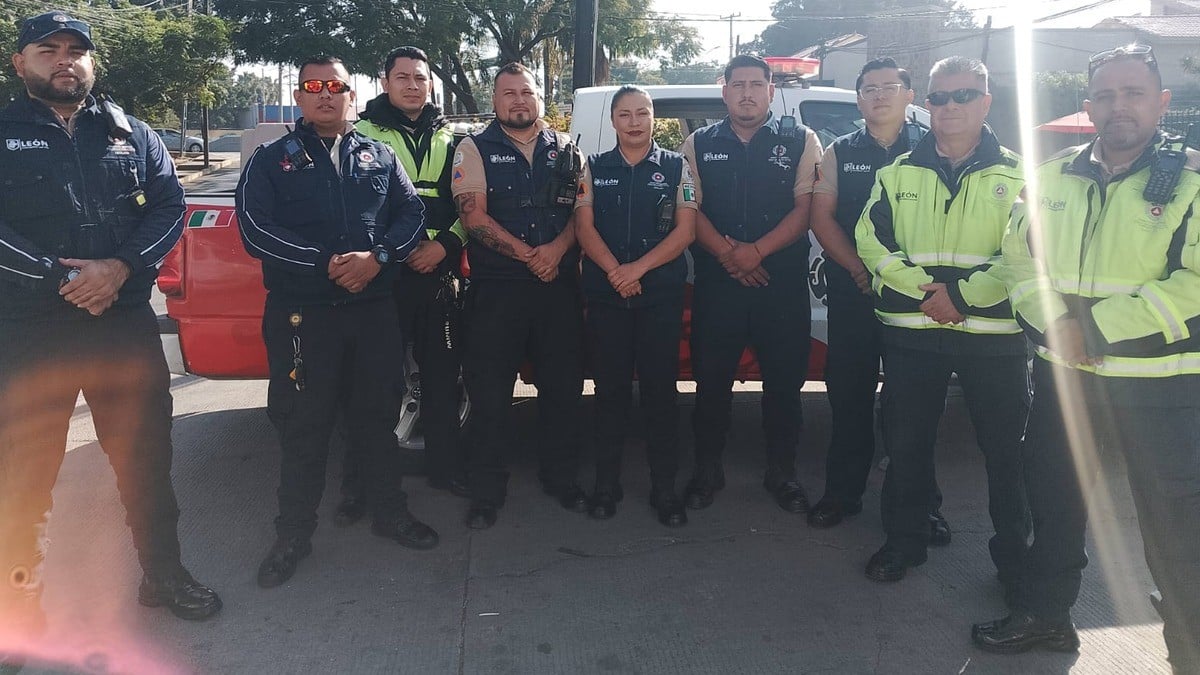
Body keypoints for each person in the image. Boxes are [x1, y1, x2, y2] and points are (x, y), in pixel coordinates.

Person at [0, 9, 222, 651]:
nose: (65, 60)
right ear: (20, 62)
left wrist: (120, 268)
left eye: (76, 50)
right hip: (31, 330)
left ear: (92, 62)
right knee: (25, 474)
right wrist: (62, 280)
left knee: (145, 460)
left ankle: (164, 575)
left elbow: (171, 208)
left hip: (120, 326)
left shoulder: (133, 134)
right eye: (49, 50)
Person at [973, 44, 1200, 671]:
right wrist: (1055, 326)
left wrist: (1092, 328)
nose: (1118, 106)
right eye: (1105, 94)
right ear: (1088, 105)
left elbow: (1194, 282)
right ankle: (1046, 616)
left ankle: (1190, 647)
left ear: (1161, 102)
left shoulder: (1192, 181)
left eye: (1132, 93)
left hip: (1162, 385)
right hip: (1066, 381)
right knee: (1053, 502)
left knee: (1177, 524)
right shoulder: (1052, 176)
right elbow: (1020, 258)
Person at [236, 56, 438, 589]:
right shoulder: (271, 160)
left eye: (336, 87)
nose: (325, 95)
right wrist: (325, 263)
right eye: (314, 87)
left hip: (373, 310)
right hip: (305, 316)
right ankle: (292, 536)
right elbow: (256, 230)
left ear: (352, 95)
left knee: (377, 419)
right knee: (305, 427)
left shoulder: (379, 153)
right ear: (300, 97)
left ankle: (390, 513)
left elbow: (411, 213)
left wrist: (380, 258)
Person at [854, 56, 1030, 586]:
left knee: (1007, 456)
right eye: (939, 97)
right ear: (924, 103)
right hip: (911, 335)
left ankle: (1017, 561)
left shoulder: (1021, 175)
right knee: (906, 448)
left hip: (996, 340)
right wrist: (924, 293)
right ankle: (903, 542)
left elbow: (1026, 254)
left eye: (963, 95)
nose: (949, 106)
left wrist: (962, 297)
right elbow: (871, 240)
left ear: (986, 101)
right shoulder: (896, 172)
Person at [807, 57, 951, 544]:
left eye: (890, 87)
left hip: (917, 300)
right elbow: (821, 217)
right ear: (858, 99)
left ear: (910, 96)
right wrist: (858, 268)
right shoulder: (839, 151)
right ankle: (841, 494)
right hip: (856, 293)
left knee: (911, 409)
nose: (880, 95)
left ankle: (923, 506)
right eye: (870, 88)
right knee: (848, 398)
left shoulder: (936, 148)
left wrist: (908, 280)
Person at [334, 45, 471, 525]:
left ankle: (444, 470)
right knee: (372, 387)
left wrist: (446, 248)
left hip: (438, 272)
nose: (413, 85)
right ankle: (358, 487)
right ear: (385, 82)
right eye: (403, 77)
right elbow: (356, 209)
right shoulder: (360, 134)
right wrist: (398, 250)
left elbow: (467, 205)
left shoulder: (454, 138)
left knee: (441, 378)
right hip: (383, 278)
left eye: (420, 77)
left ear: (431, 83)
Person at [679, 54, 822, 513]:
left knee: (784, 384)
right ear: (724, 92)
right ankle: (707, 471)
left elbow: (806, 210)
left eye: (756, 84)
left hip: (778, 284)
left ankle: (783, 472)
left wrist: (755, 252)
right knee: (710, 382)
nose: (746, 92)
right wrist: (730, 254)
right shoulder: (698, 143)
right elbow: (690, 211)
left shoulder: (801, 139)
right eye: (737, 84)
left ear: (771, 91)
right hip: (718, 283)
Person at [451, 62, 587, 530]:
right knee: (490, 396)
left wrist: (556, 251)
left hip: (558, 290)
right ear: (495, 101)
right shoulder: (472, 148)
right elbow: (474, 219)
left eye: (526, 92)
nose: (518, 100)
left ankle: (561, 479)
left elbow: (580, 216)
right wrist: (533, 256)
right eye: (508, 93)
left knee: (563, 391)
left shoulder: (568, 149)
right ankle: (487, 492)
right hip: (499, 293)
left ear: (540, 99)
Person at [573, 85, 697, 526]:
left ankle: (665, 489)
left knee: (661, 395)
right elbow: (584, 228)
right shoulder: (592, 168)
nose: (634, 122)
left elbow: (685, 233)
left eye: (642, 113)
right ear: (612, 121)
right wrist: (615, 273)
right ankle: (606, 485)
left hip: (657, 297)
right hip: (608, 298)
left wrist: (636, 271)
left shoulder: (676, 167)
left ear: (652, 118)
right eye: (624, 114)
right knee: (610, 394)